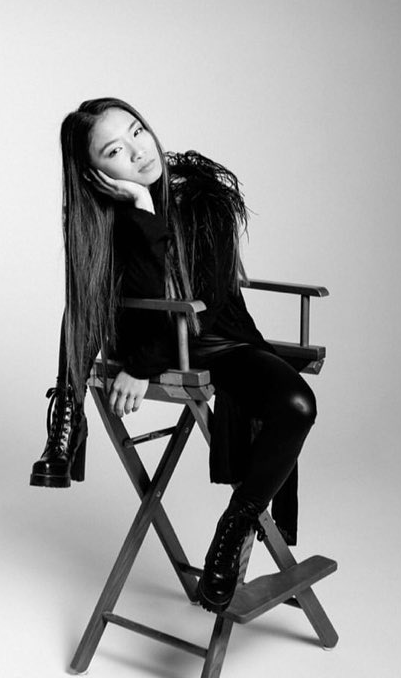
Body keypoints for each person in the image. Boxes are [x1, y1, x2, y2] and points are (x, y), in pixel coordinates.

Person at [30, 97, 317, 613]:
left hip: (219, 342)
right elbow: (115, 301)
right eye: (115, 151)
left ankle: (235, 526)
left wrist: (143, 367)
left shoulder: (205, 200)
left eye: (137, 131)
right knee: (82, 298)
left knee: (297, 405)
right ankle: (68, 412)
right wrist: (140, 208)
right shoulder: (100, 218)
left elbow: (201, 296)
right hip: (147, 341)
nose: (138, 151)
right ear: (94, 174)